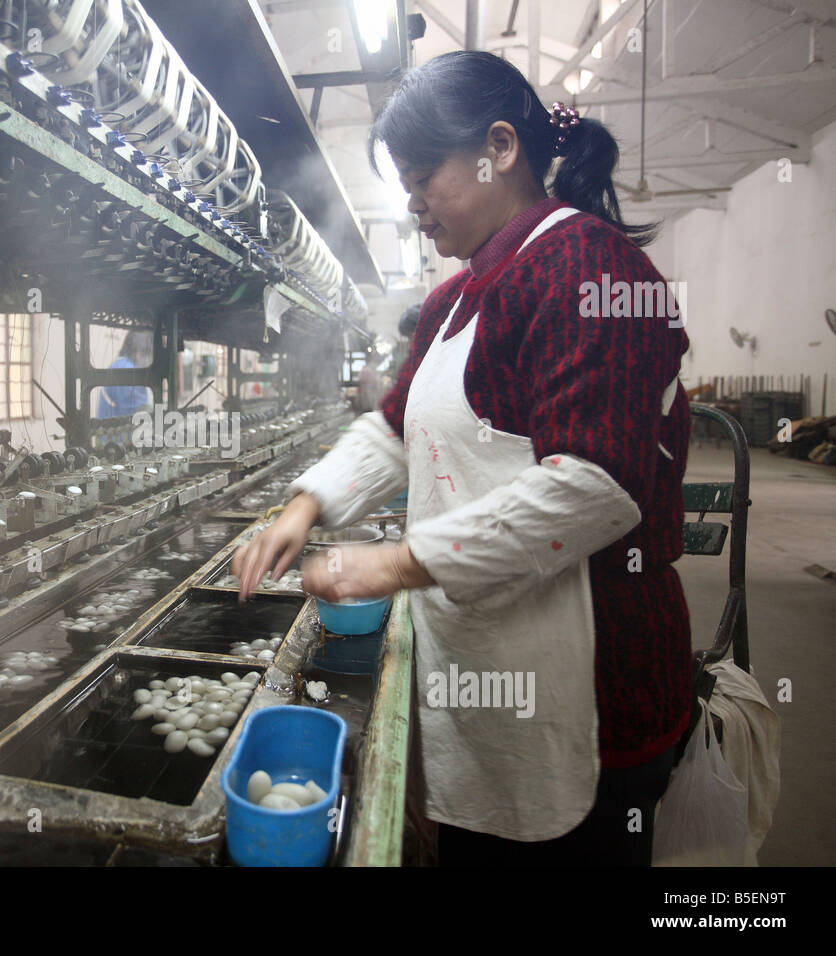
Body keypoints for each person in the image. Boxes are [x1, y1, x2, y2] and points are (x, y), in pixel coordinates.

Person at [232, 51, 692, 867]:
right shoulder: (456, 296)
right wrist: (306, 504)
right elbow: (392, 427)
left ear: (502, 148)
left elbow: (596, 485)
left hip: (590, 685)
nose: (413, 207)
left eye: (422, 179)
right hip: (488, 661)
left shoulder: (589, 266)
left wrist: (399, 563)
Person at [96, 330, 154, 419]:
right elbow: (142, 412)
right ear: (136, 351)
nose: (149, 359)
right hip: (117, 431)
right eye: (148, 352)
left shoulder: (121, 364)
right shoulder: (128, 371)